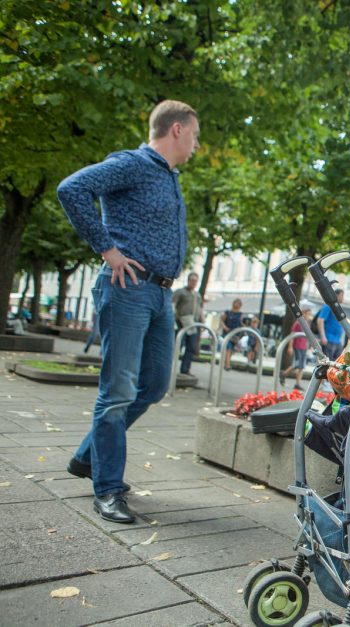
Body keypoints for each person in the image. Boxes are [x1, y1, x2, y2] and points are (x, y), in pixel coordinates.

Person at [57, 99, 200, 524]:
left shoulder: (169, 177)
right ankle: (107, 489)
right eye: (194, 135)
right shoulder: (134, 164)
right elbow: (72, 189)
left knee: (154, 384)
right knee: (117, 391)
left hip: (159, 294)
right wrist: (108, 251)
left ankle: (88, 456)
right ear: (176, 130)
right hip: (127, 288)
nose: (195, 145)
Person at [172, 272, 203, 375]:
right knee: (178, 345)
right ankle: (170, 367)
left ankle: (185, 369)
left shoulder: (197, 295)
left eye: (195, 281)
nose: (194, 283)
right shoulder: (181, 292)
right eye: (192, 280)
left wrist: (202, 319)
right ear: (188, 280)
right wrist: (176, 316)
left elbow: (200, 308)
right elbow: (173, 304)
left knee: (191, 346)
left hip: (194, 323)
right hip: (182, 322)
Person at [281, 306, 313, 390]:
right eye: (308, 314)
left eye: (309, 314)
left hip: (303, 347)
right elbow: (293, 335)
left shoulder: (307, 324)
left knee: (301, 366)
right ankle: (284, 373)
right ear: (303, 314)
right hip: (297, 346)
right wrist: (290, 347)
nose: (309, 316)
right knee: (296, 364)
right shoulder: (298, 323)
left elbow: (307, 336)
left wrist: (309, 346)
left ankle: (297, 384)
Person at [317, 289, 346, 360]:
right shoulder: (328, 306)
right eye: (342, 295)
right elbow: (320, 320)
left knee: (337, 363)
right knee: (328, 363)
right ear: (336, 295)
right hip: (328, 340)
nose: (343, 298)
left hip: (337, 341)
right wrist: (323, 337)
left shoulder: (337, 307)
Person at [221, 298, 243, 370]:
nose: (237, 305)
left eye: (239, 304)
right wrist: (225, 327)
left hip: (235, 333)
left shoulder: (240, 314)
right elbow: (222, 321)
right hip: (227, 332)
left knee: (231, 349)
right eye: (236, 303)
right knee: (228, 347)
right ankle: (227, 364)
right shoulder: (227, 312)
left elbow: (241, 323)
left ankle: (226, 362)